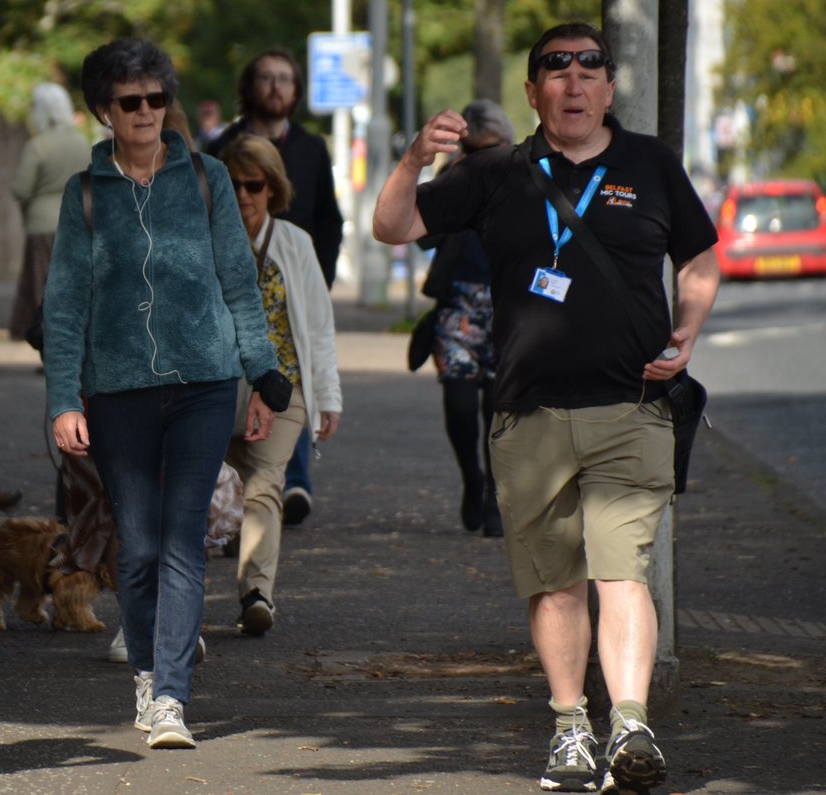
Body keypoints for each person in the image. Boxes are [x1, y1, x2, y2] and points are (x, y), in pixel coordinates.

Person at [372, 22, 720, 795]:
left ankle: (630, 723)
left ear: (607, 87)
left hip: (633, 405)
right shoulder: (498, 171)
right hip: (527, 413)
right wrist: (411, 160)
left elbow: (697, 256)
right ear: (533, 93)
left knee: (623, 570)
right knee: (554, 581)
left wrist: (689, 326)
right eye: (556, 69)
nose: (575, 81)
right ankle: (571, 726)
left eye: (590, 67)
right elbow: (393, 226)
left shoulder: (651, 165)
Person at [45, 38, 287, 750]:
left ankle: (173, 697)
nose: (147, 112)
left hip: (204, 385)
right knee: (141, 545)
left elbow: (239, 283)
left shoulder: (207, 177)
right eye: (130, 102)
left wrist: (264, 371)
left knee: (183, 539)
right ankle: (148, 673)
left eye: (156, 98)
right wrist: (64, 396)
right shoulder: (85, 194)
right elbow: (65, 302)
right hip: (118, 391)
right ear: (103, 112)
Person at [207, 47, 345, 527]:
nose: (275, 87)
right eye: (266, 78)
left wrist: (314, 280)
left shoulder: (311, 148)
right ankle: (245, 503)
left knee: (290, 389)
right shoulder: (221, 146)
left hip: (294, 282)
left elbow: (330, 219)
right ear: (251, 87)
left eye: (284, 79)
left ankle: (291, 483)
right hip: (232, 314)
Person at [218, 134, 341, 636]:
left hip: (280, 390)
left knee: (265, 486)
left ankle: (256, 592)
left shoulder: (295, 245)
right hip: (217, 389)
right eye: (234, 185)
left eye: (255, 185)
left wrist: (327, 396)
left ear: (273, 190)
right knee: (206, 494)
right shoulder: (205, 242)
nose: (244, 195)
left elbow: (318, 324)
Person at [416, 99, 515, 538]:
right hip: (456, 308)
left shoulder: (523, 176)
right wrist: (452, 171)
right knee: (459, 404)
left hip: (508, 310)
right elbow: (425, 236)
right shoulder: (455, 174)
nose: (483, 160)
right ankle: (472, 477)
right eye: (475, 150)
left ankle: (495, 492)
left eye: (491, 149)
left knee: (498, 409)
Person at [8, 82, 89, 349]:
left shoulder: (37, 146)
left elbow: (21, 188)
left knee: (43, 289)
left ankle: (48, 344)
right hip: (78, 222)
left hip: (42, 226)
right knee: (75, 287)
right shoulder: (82, 143)